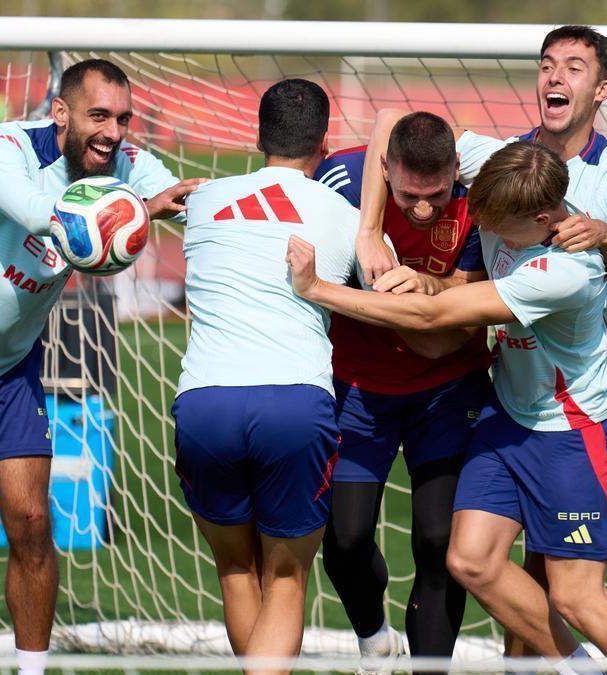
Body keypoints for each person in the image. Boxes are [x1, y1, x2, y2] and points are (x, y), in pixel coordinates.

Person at [354, 25, 607, 673]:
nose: (555, 76)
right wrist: (370, 231)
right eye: (546, 64)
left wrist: (603, 237)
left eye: (574, 67)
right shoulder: (504, 159)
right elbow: (393, 120)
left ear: (603, 89)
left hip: (600, 379)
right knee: (510, 560)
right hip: (518, 377)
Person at [0, 58, 203, 675]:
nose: (113, 132)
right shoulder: (1, 149)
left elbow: (190, 201)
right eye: (99, 116)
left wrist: (260, 203)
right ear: (61, 113)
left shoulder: (123, 165)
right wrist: (140, 210)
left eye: (123, 119)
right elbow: (47, 216)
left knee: (32, 521)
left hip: (9, 367)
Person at [287, 141, 607, 675]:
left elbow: (432, 318)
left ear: (541, 220)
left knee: (577, 595)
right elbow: (393, 125)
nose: (481, 226)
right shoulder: (510, 177)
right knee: (470, 560)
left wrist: (316, 288)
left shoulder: (566, 271)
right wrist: (370, 230)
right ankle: (580, 668)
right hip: (508, 414)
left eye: (495, 223)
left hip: (571, 430)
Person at [171, 78, 362, 675]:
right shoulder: (347, 217)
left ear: (258, 137)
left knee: (236, 569)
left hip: (205, 401)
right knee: (286, 577)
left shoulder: (204, 200)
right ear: (325, 144)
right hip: (294, 400)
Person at [311, 111, 490, 669]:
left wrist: (423, 291)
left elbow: (476, 294)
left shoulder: (482, 193)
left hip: (447, 390)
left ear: (456, 168)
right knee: (344, 542)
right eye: (410, 195)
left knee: (439, 542)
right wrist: (366, 238)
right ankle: (375, 640)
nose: (423, 209)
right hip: (358, 388)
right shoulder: (339, 182)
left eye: (436, 195)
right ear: (384, 167)